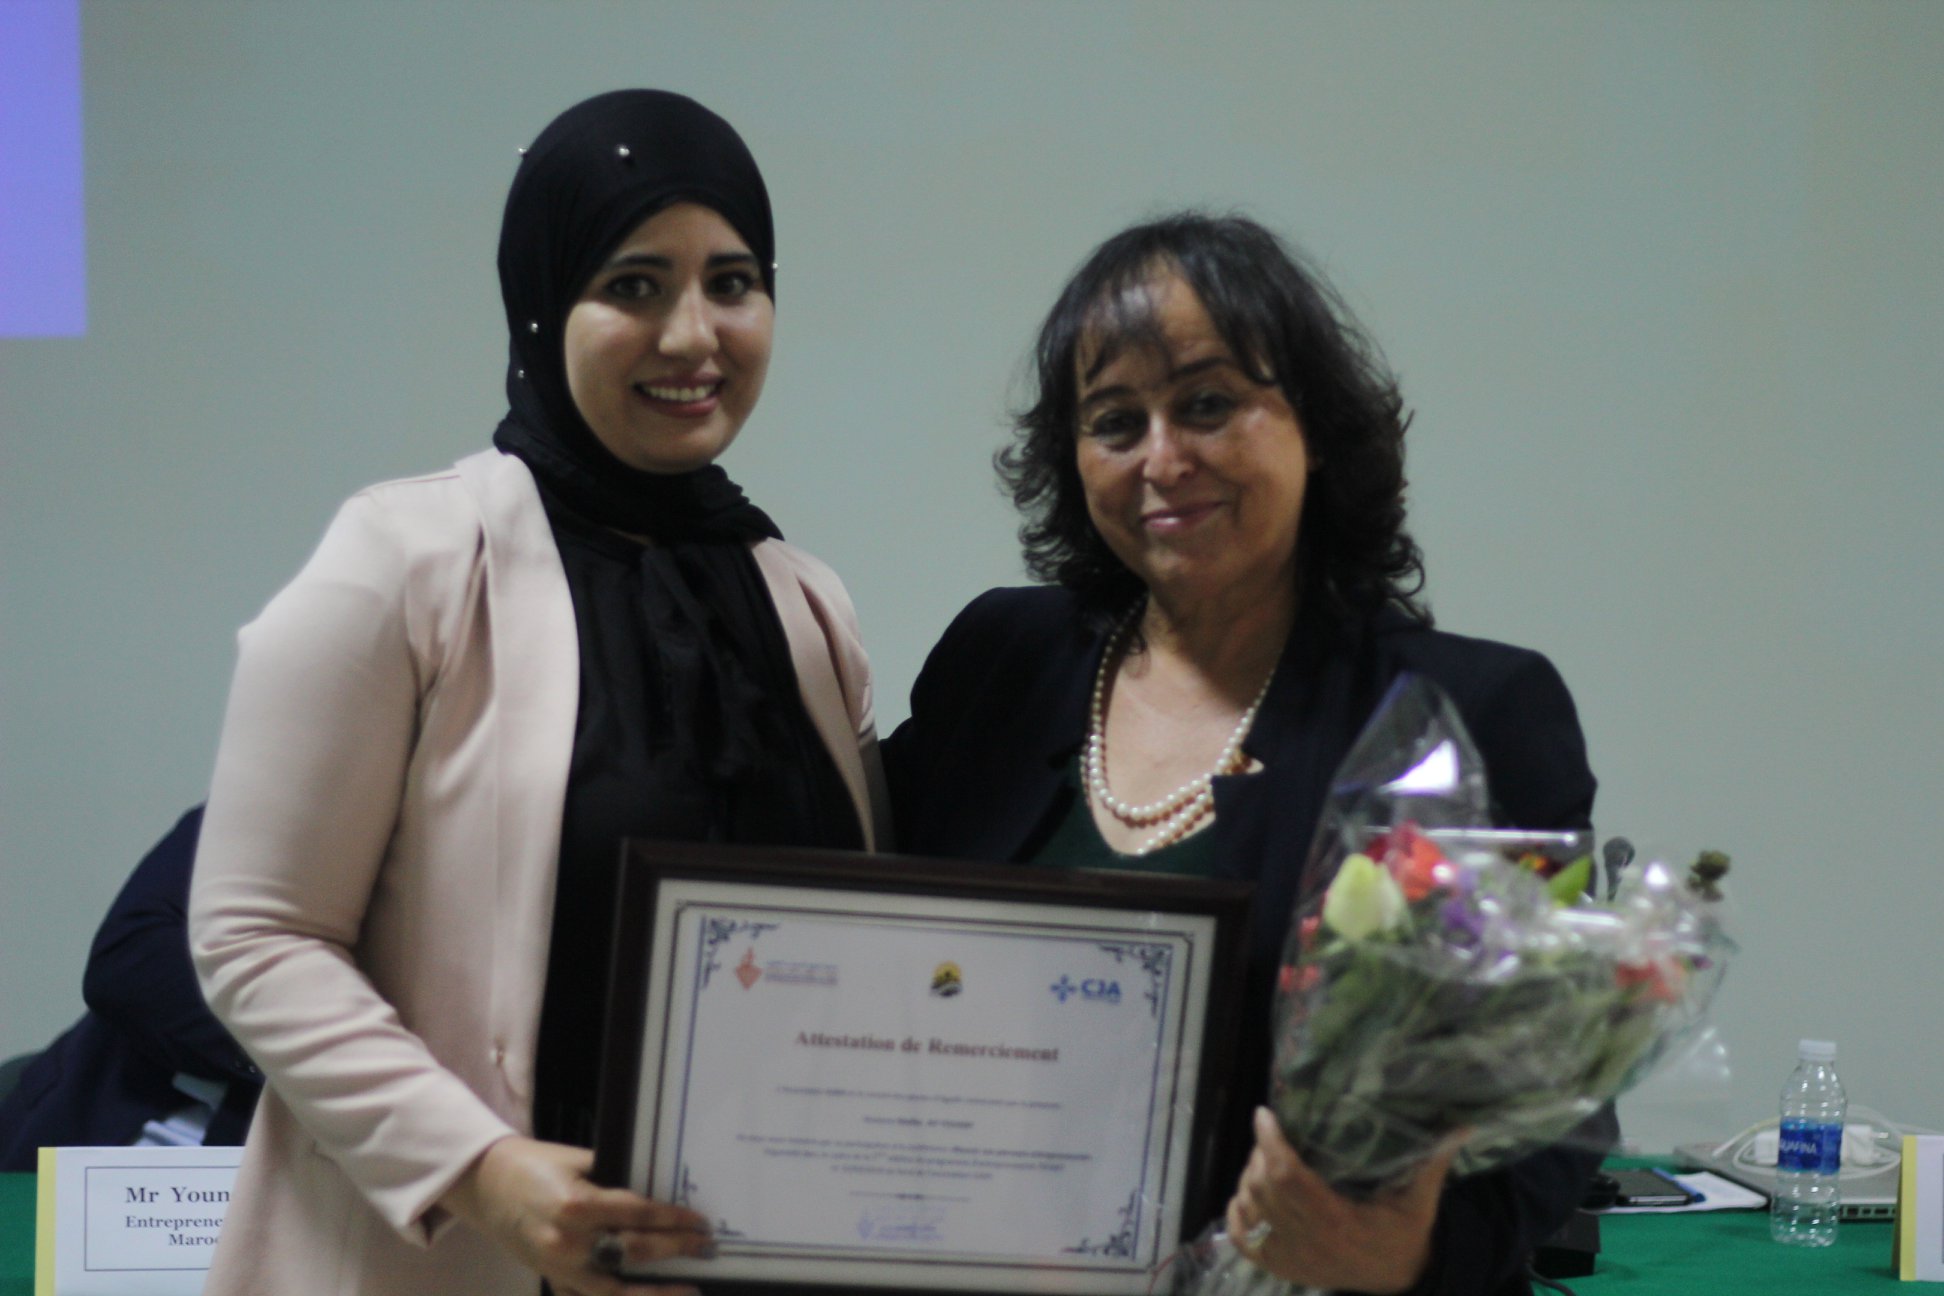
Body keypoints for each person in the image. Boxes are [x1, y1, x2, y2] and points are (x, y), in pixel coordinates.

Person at [189, 90, 885, 1296]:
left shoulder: (805, 604)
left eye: (731, 282)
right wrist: (479, 1168)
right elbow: (255, 936)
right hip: (460, 1258)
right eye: (633, 285)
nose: (693, 335)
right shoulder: (406, 559)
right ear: (541, 303)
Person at [883, 212, 1611, 1296]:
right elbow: (862, 951)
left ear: (1314, 426)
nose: (1162, 459)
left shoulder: (1467, 716)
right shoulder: (1001, 664)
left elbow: (1556, 1104)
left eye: (1208, 403)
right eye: (1114, 421)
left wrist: (1408, 1253)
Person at [0, 805, 259, 1170]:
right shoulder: (274, 805)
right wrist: (300, 1047)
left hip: (294, 1176)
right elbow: (131, 962)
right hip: (100, 1136)